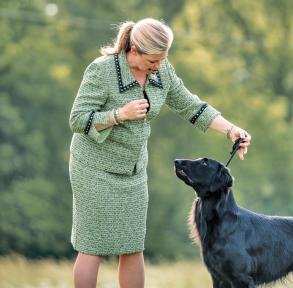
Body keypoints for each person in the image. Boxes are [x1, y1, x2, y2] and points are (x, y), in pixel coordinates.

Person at [68, 18, 251, 288]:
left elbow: (191, 106)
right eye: (153, 61)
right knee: (92, 245)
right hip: (95, 169)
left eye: (162, 60)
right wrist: (119, 115)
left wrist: (230, 129)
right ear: (134, 51)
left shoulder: (161, 71)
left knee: (132, 245)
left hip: (133, 171)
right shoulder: (102, 71)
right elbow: (77, 119)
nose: (157, 67)